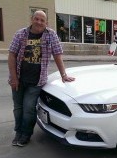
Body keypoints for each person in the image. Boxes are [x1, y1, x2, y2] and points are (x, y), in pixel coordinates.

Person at [8, 10, 75, 147]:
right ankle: (18, 132)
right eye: (36, 19)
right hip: (18, 79)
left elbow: (57, 55)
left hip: (36, 81)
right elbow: (12, 55)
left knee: (28, 108)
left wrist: (64, 75)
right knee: (18, 108)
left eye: (42, 20)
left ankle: (25, 134)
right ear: (32, 19)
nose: (39, 22)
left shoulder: (51, 35)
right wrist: (14, 78)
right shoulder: (20, 34)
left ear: (46, 23)